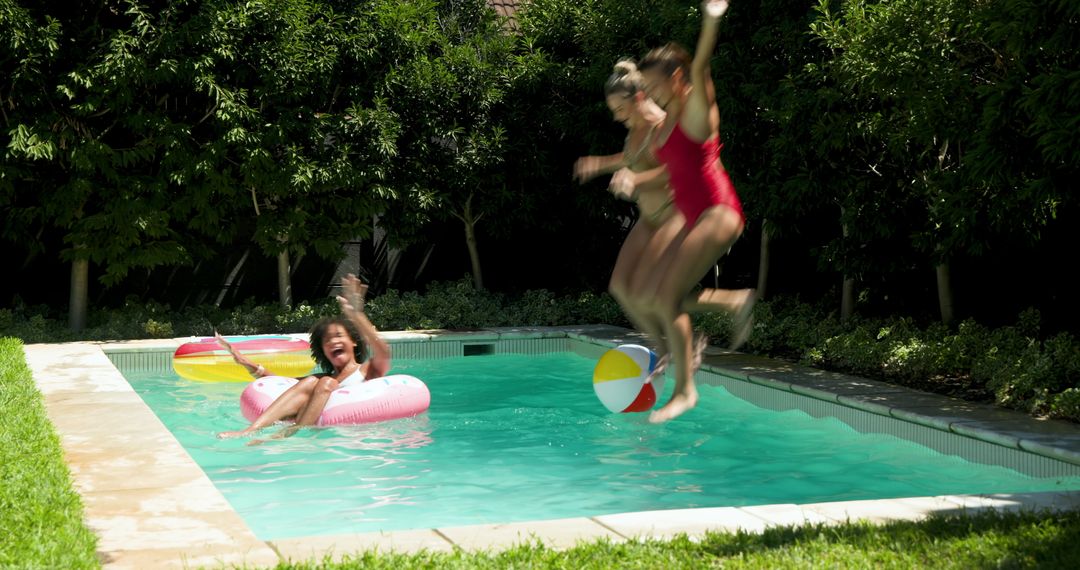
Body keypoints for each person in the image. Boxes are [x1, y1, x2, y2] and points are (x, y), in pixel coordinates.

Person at [612, 0, 755, 424]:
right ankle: (733, 301)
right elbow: (668, 174)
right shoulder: (667, 122)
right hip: (696, 218)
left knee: (667, 296)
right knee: (653, 296)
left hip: (719, 211)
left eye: (656, 86)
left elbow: (701, 66)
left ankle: (685, 391)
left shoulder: (693, 109)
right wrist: (633, 179)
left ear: (676, 79)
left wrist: (710, 21)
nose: (650, 93)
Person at [573, 60, 684, 380]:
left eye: (620, 109)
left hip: (673, 215)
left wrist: (634, 181)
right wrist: (600, 164)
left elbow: (676, 173)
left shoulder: (664, 126)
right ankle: (664, 350)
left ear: (637, 98)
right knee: (620, 287)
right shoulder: (635, 128)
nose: (616, 116)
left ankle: (678, 343)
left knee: (646, 290)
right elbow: (629, 159)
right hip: (648, 218)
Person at [216, 274, 391, 442]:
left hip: (353, 436)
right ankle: (250, 431)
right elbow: (282, 382)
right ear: (323, 350)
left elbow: (383, 351)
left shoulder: (367, 370)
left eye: (338, 335)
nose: (333, 342)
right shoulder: (321, 379)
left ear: (353, 341)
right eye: (327, 340)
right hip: (320, 435)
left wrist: (356, 315)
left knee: (325, 383)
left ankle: (287, 435)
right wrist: (244, 361)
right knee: (313, 381)